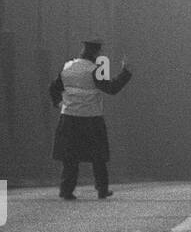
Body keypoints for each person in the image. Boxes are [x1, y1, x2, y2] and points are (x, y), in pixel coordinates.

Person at [49, 40, 133, 200]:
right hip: (91, 119)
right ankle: (102, 189)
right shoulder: (95, 70)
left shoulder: (68, 67)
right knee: (98, 157)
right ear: (96, 53)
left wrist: (58, 103)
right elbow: (111, 88)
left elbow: (54, 87)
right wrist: (126, 72)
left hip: (69, 118)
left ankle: (66, 190)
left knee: (70, 157)